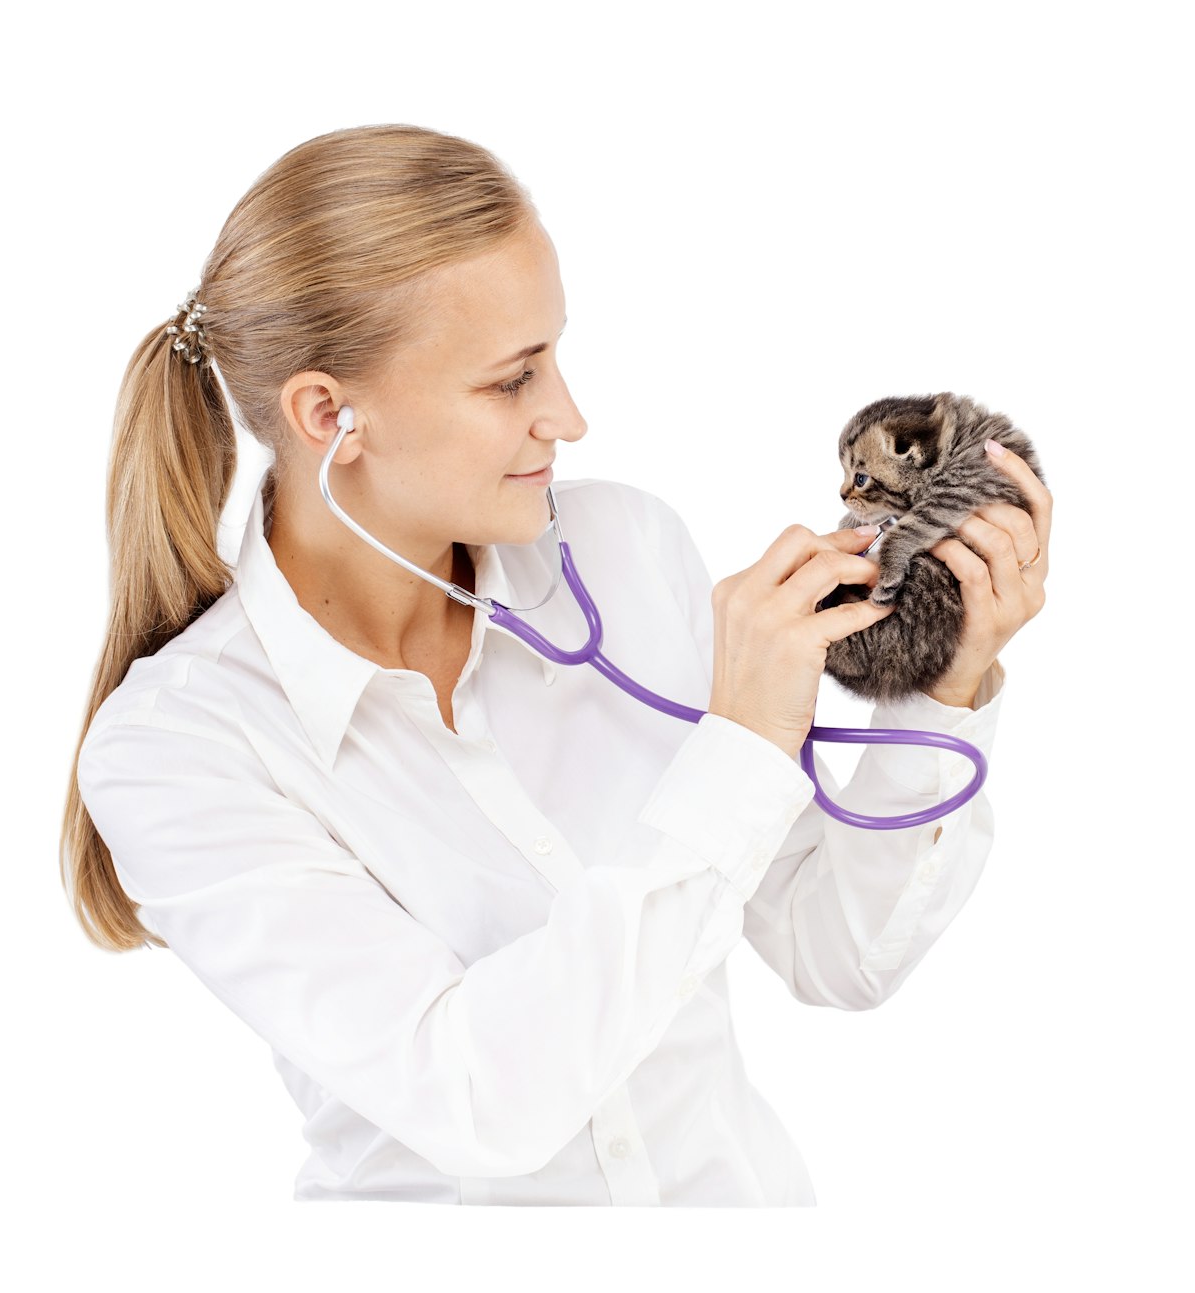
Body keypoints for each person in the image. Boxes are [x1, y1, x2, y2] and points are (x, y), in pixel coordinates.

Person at [59, 123, 1051, 1206]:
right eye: (509, 381)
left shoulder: (623, 553)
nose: (568, 417)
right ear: (326, 416)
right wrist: (742, 743)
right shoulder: (177, 748)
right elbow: (480, 1097)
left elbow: (839, 953)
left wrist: (943, 687)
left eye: (555, 354)